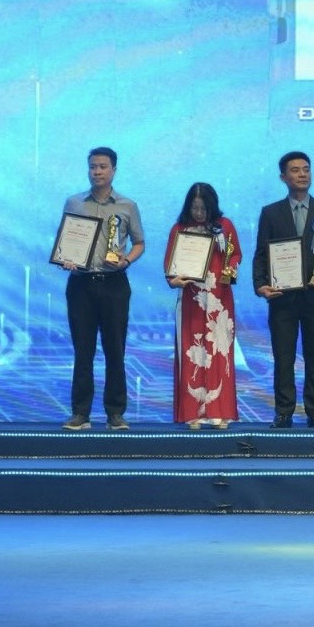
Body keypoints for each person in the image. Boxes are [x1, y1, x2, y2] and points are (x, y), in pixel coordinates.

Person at [55, 146, 146, 430]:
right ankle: (80, 413)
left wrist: (126, 260)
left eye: (103, 167)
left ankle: (115, 413)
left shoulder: (127, 206)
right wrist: (65, 258)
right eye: (93, 166)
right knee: (83, 351)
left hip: (114, 284)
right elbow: (65, 240)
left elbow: (139, 243)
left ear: (113, 170)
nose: (97, 172)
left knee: (115, 350)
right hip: (81, 284)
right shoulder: (74, 202)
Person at [253, 152, 314, 427]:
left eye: (306, 169)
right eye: (295, 170)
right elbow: (261, 254)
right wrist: (260, 285)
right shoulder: (271, 213)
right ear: (283, 177)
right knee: (284, 357)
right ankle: (284, 411)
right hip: (282, 298)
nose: (302, 174)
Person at [165, 182, 241, 430]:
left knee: (220, 353)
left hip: (219, 298)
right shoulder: (180, 229)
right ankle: (193, 412)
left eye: (204, 209)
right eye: (195, 208)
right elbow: (170, 265)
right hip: (191, 299)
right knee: (193, 351)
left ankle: (220, 411)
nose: (199, 213)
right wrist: (173, 279)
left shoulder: (224, 226)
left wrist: (231, 268)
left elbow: (235, 254)